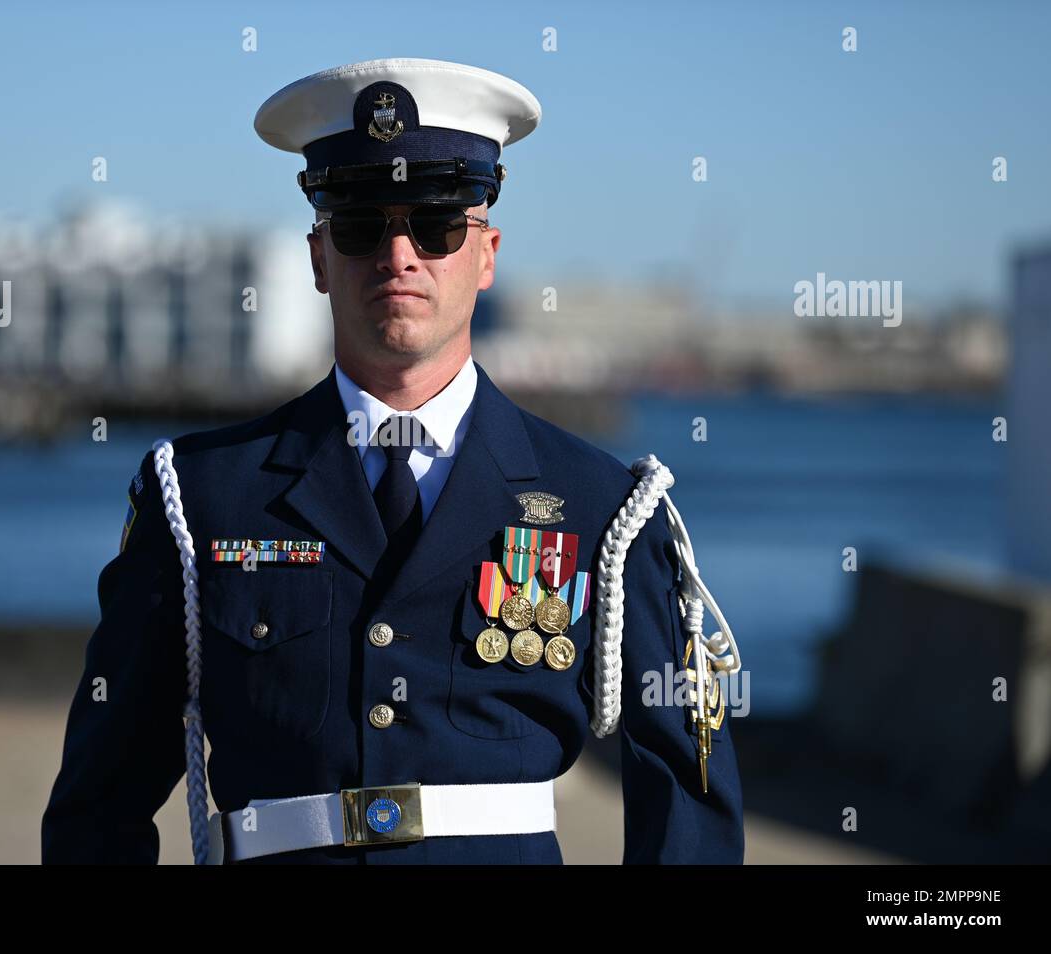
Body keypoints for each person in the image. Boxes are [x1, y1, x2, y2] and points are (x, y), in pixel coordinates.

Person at [41, 57, 744, 865]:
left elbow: (687, 802)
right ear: (318, 257)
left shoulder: (606, 508)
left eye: (439, 223)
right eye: (360, 224)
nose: (399, 254)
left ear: (487, 255)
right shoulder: (198, 497)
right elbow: (100, 801)